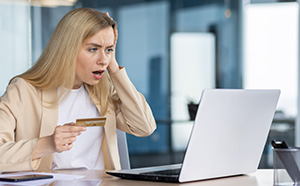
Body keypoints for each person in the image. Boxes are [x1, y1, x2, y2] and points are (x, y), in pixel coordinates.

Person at [0, 8, 156, 172]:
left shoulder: (104, 89)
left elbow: (144, 126)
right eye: (93, 49)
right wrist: (46, 144)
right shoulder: (23, 90)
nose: (103, 60)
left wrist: (114, 68)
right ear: (67, 49)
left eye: (108, 49)